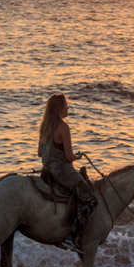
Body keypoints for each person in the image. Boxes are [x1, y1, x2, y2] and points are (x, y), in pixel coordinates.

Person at [37, 93, 97, 254]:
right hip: (63, 172)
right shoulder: (63, 127)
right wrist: (78, 155)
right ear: (59, 109)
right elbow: (69, 157)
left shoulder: (44, 127)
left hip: (47, 171)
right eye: (66, 107)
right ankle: (71, 236)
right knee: (91, 200)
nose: (68, 110)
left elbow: (39, 153)